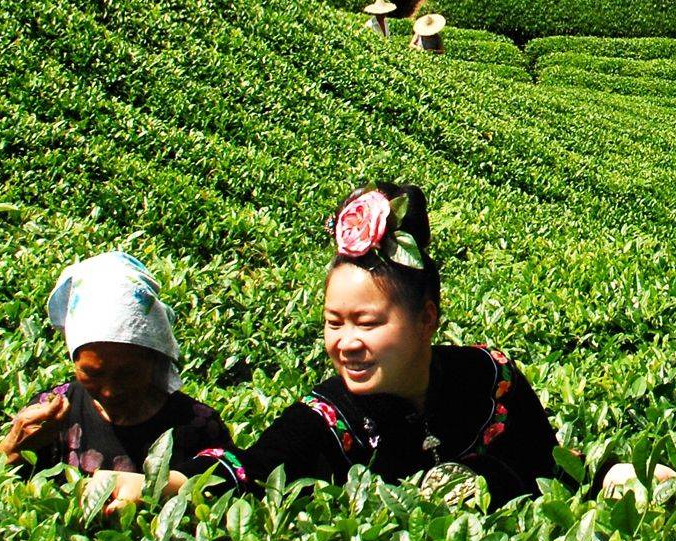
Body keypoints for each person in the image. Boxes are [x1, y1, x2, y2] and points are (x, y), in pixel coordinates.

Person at [166, 183, 562, 508]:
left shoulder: (489, 377)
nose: (347, 343)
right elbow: (252, 469)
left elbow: (553, 469)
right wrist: (164, 486)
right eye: (333, 322)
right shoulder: (327, 416)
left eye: (367, 323)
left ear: (427, 319)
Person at [0, 249, 233, 476]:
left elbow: (237, 481)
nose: (110, 391)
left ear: (154, 357)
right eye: (92, 373)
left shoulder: (198, 426)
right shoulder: (50, 417)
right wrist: (12, 448)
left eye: (127, 373)